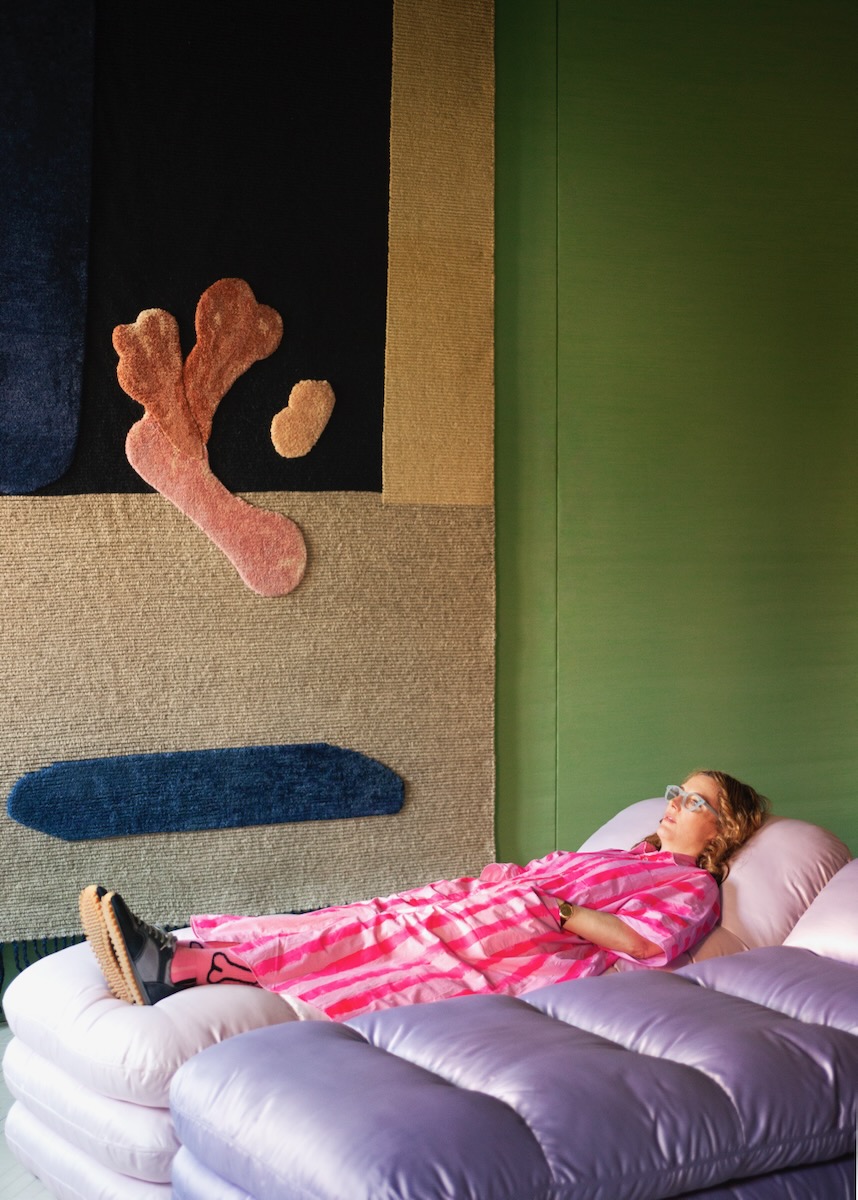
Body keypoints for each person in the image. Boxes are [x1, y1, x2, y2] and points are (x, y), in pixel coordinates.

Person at [80, 769, 767, 1020]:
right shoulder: (631, 851)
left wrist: (553, 909)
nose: (672, 803)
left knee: (381, 948)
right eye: (675, 792)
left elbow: (646, 942)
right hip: (509, 905)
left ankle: (177, 968)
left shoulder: (695, 887)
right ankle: (188, 948)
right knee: (362, 916)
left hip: (537, 939)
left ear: (721, 828)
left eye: (693, 800)